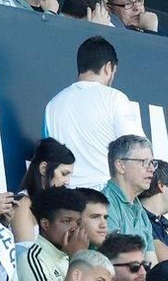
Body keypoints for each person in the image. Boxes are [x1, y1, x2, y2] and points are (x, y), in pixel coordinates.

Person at [43, 37, 142, 190]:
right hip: (104, 198)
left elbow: (48, 156)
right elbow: (138, 150)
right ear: (108, 68)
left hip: (66, 198)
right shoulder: (115, 98)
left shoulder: (52, 104)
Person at [103, 136, 160, 255]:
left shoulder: (141, 212)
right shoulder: (104, 204)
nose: (151, 169)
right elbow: (115, 260)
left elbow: (151, 264)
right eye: (144, 162)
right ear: (120, 166)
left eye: (152, 163)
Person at [11, 139, 76, 243]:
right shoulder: (23, 205)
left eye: (69, 175)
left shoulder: (54, 205)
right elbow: (25, 254)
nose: (67, 182)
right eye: (64, 174)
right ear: (43, 168)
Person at [16, 188, 86, 281]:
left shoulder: (66, 254)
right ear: (45, 224)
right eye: (66, 221)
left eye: (78, 222)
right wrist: (75, 258)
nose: (74, 228)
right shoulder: (31, 258)